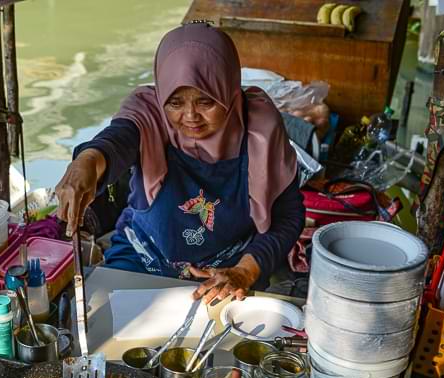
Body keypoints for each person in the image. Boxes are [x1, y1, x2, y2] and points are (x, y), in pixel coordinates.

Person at [55, 22, 305, 304]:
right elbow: (117, 139)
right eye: (175, 103)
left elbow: (288, 215)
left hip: (228, 269)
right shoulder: (149, 113)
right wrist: (87, 161)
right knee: (105, 322)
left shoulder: (260, 128)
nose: (190, 116)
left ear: (229, 92)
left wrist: (245, 271)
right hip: (144, 256)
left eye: (205, 102)